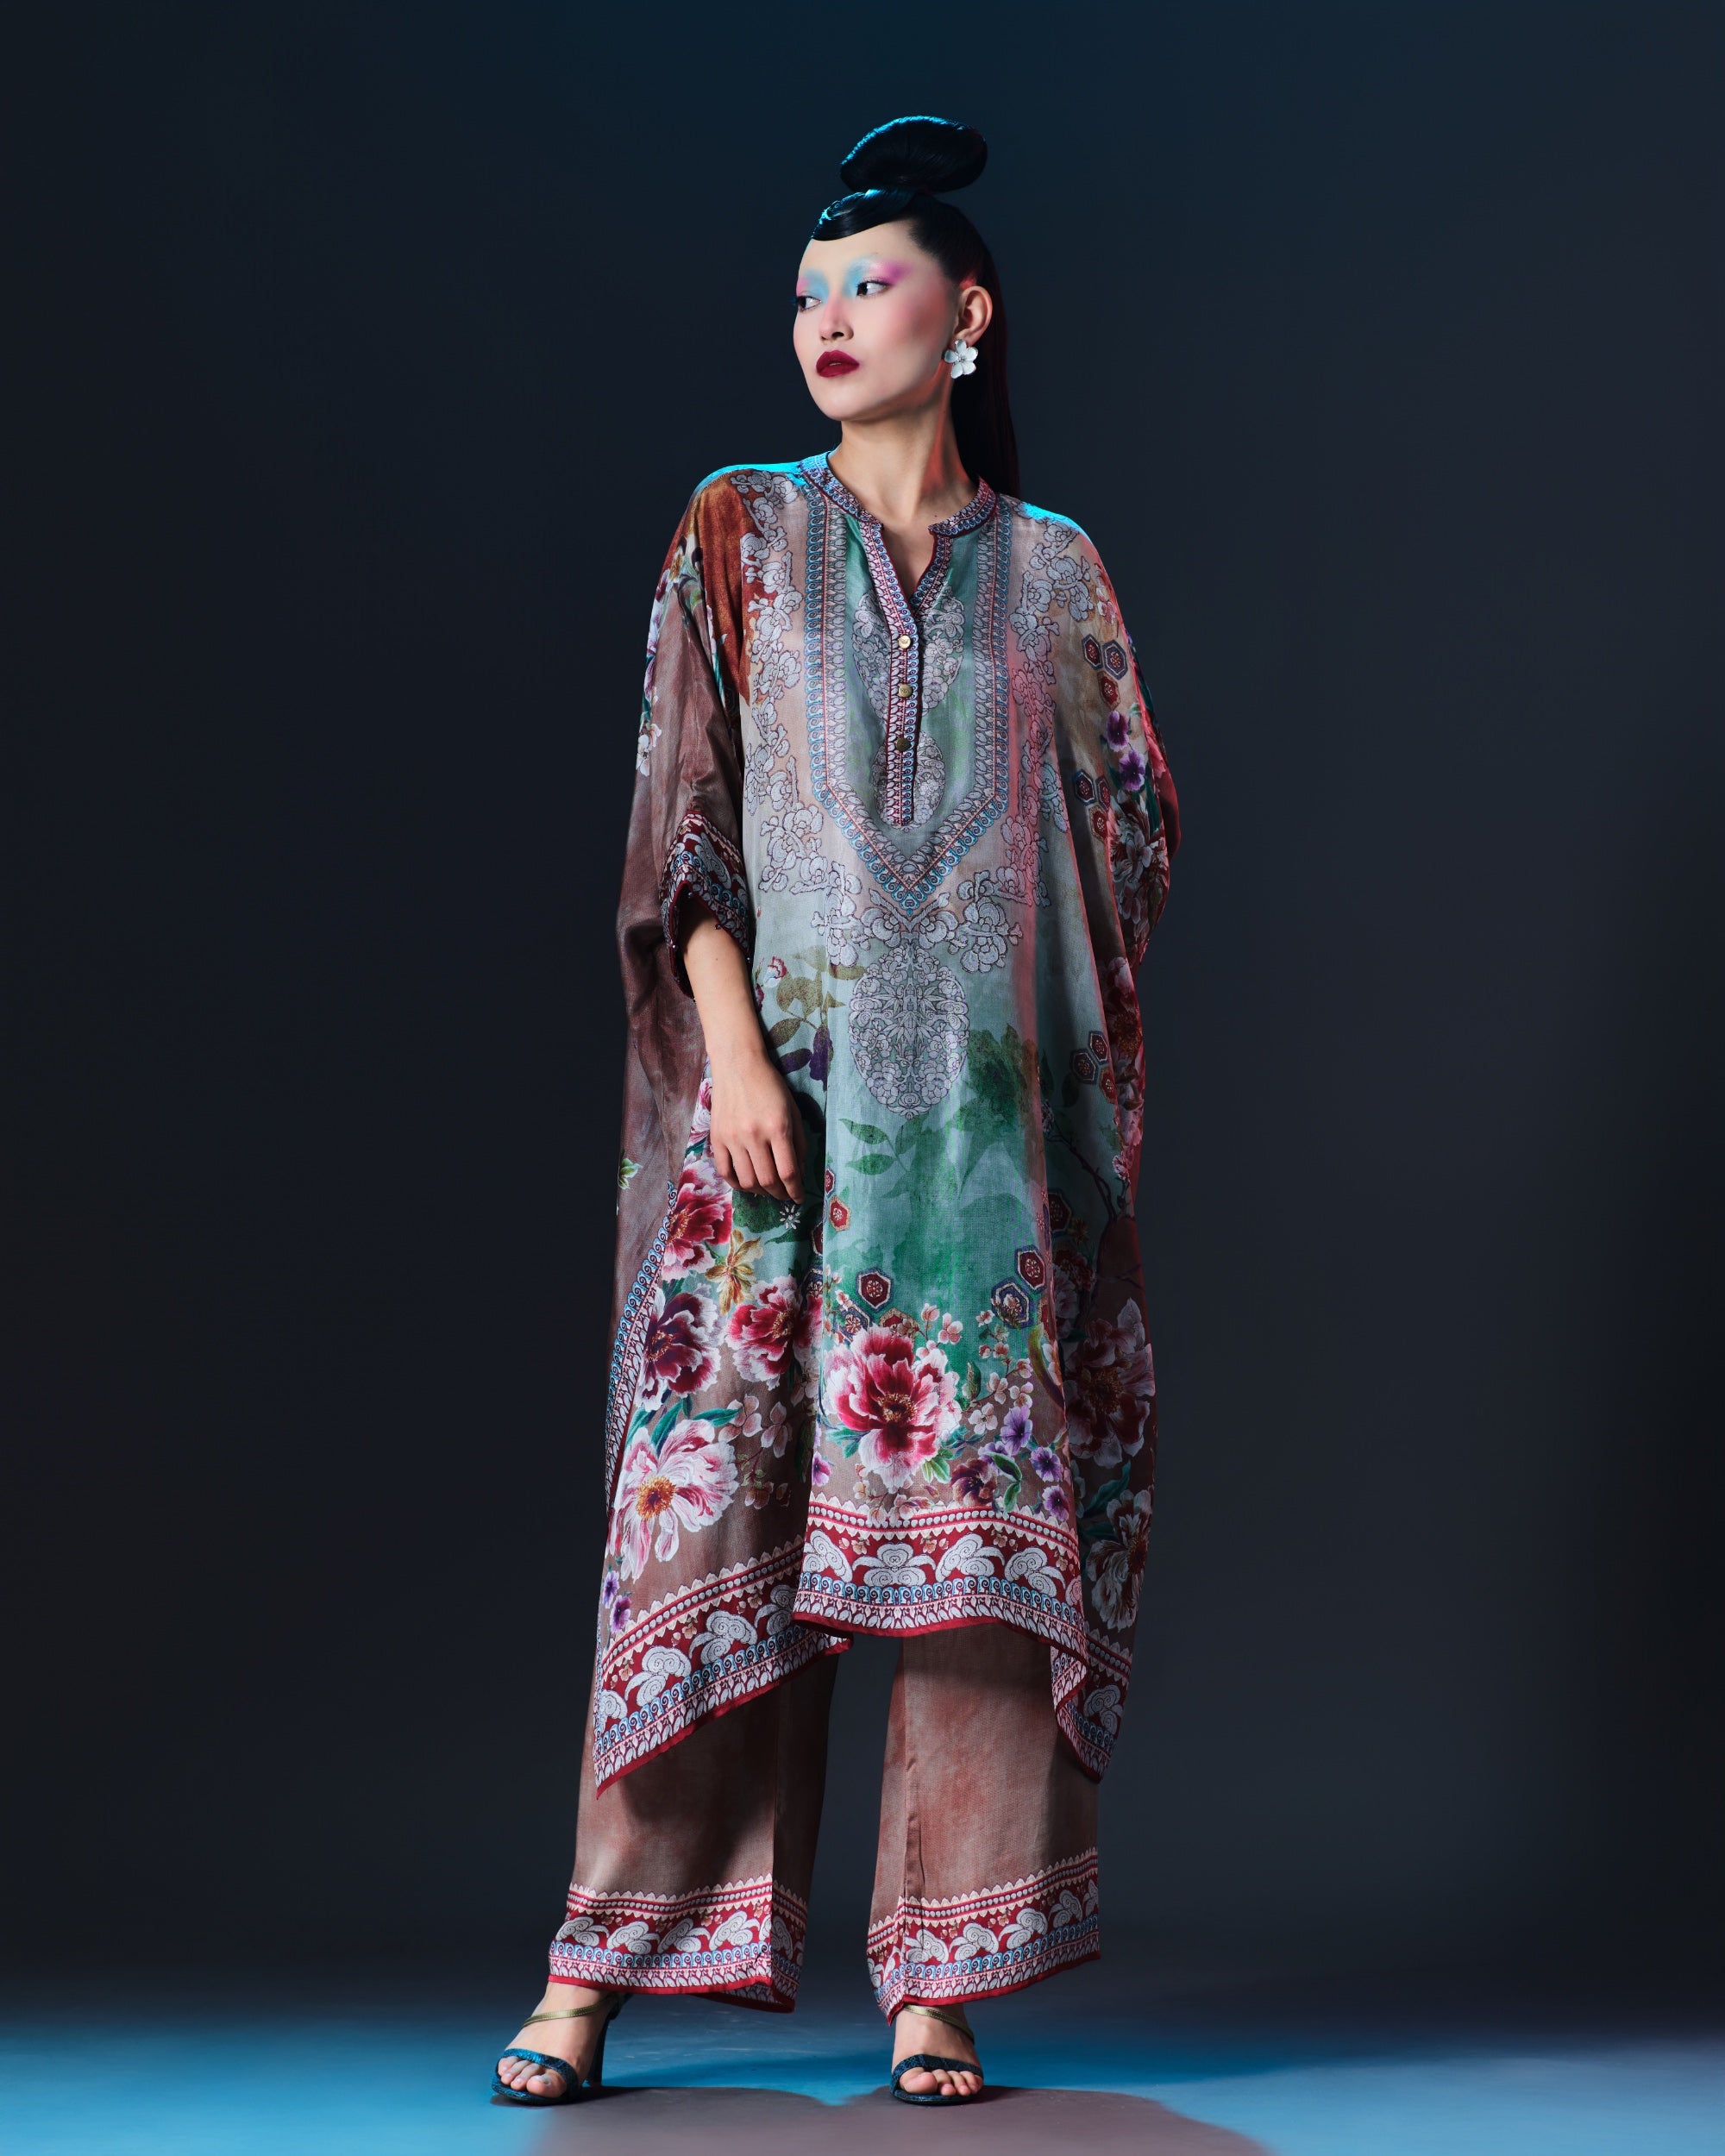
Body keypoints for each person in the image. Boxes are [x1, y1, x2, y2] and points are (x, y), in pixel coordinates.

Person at [492, 113, 1180, 2109]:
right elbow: (682, 822)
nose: (825, 317)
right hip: (770, 1134)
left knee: (966, 1568)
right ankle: (595, 1968)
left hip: (968, 1156)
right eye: (803, 291)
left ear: (970, 317)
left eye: (867, 281)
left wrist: (1013, 1025)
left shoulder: (1055, 574)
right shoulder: (732, 531)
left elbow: (1133, 829)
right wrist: (728, 1046)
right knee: (703, 1517)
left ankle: (935, 1982)